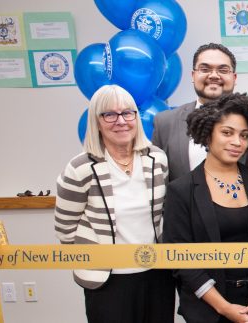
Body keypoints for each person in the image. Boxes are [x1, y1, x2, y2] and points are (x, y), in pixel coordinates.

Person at [54, 84, 173, 323]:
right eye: (109, 114)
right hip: (107, 280)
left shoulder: (156, 158)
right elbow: (65, 231)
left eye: (128, 113)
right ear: (96, 121)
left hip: (156, 275)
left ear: (136, 118)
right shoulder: (80, 168)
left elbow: (164, 213)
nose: (121, 121)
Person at [163, 93, 248, 323]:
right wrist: (224, 308)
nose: (237, 142)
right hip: (207, 309)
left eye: (244, 136)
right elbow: (181, 259)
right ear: (207, 135)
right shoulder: (181, 190)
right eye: (227, 133)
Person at [152, 43, 240, 182]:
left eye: (223, 70)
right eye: (205, 69)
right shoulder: (165, 122)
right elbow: (157, 182)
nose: (213, 75)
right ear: (193, 76)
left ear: (234, 78)